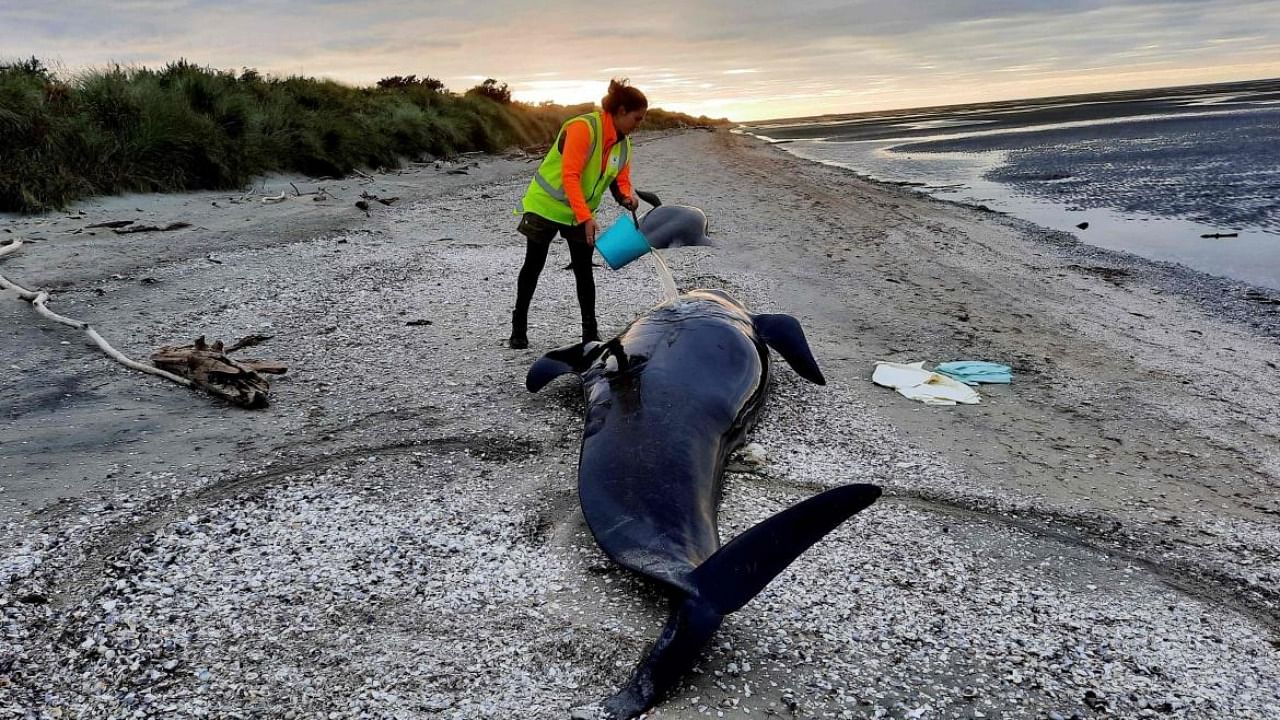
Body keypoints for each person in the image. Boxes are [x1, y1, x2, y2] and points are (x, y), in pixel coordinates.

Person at [508, 78, 648, 349]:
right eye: (637, 119)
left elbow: (620, 180)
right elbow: (570, 176)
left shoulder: (624, 144)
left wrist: (626, 198)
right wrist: (587, 218)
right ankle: (518, 327)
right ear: (620, 112)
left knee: (584, 271)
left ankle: (590, 335)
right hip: (545, 206)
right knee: (533, 265)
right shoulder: (583, 128)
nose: (638, 125)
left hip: (578, 213)